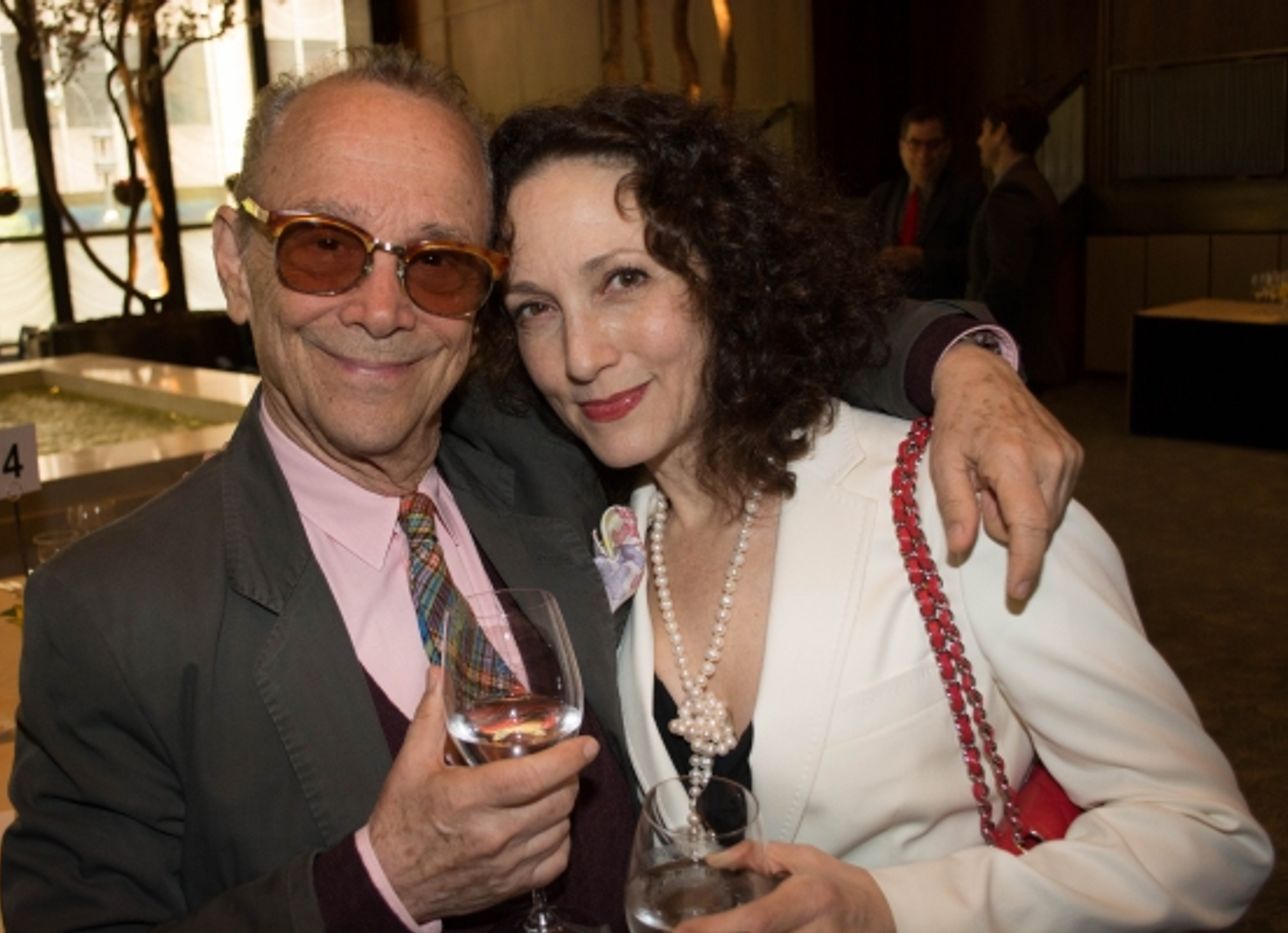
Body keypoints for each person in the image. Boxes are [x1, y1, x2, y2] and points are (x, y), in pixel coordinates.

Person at [0, 48, 1081, 932]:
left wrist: (960, 364)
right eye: (324, 248)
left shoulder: (548, 445)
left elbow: (748, 325)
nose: (381, 309)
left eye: (434, 263)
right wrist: (379, 885)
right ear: (236, 262)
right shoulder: (112, 612)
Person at [483, 85, 1272, 932]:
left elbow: (1210, 839)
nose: (579, 354)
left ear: (730, 270)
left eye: (625, 279)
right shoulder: (605, 531)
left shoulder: (951, 490)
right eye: (536, 308)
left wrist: (891, 908)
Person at [969, 93, 1066, 392]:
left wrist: (974, 332)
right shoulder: (1033, 183)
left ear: (1002, 132)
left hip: (1016, 347)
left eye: (985, 130)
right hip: (1030, 344)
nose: (979, 141)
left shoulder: (1012, 193)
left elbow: (1007, 278)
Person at [866, 106, 983, 300]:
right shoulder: (882, 196)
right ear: (901, 147)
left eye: (932, 145)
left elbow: (977, 259)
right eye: (915, 144)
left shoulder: (968, 194)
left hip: (942, 310)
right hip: (888, 308)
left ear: (947, 147)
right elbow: (863, 249)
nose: (923, 154)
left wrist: (923, 259)